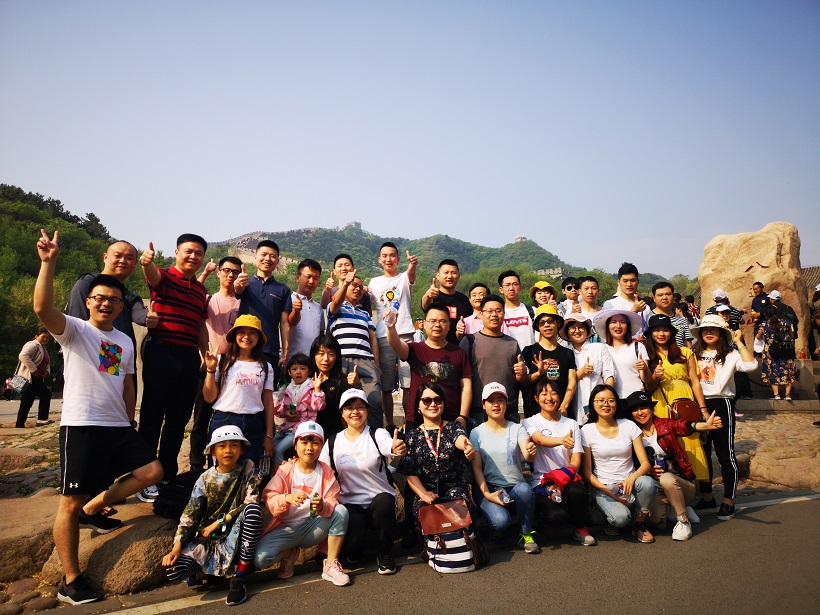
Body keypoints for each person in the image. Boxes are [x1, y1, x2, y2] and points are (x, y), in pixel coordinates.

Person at [32, 229, 163, 605]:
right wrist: (48, 264)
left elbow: (124, 381)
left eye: (114, 301)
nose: (107, 304)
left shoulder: (122, 341)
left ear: (122, 306)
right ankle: (71, 580)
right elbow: (42, 308)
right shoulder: (74, 330)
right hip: (82, 425)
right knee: (70, 501)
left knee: (152, 472)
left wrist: (129, 417)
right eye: (100, 299)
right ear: (88, 301)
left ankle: (94, 507)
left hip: (117, 425)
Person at [138, 234, 209, 502]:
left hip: (189, 357)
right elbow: (152, 275)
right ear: (177, 252)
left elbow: (200, 325)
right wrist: (146, 262)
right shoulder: (165, 277)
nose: (193, 256)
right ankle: (145, 477)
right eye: (189, 251)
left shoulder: (200, 290)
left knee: (178, 421)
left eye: (198, 253)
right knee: (152, 416)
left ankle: (166, 474)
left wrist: (205, 353)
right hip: (162, 352)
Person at [161, 426, 263, 606]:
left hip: (236, 532)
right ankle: (210, 573)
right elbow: (190, 514)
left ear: (241, 449)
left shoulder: (248, 468)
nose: (228, 450)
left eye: (234, 445)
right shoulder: (205, 479)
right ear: (213, 451)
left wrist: (220, 522)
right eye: (222, 446)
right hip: (210, 538)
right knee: (174, 571)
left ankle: (240, 577)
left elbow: (250, 501)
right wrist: (176, 547)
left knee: (253, 511)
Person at [319, 389, 406, 574]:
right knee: (354, 550)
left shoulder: (377, 434)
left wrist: (395, 447)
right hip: (350, 504)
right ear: (342, 413)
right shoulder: (333, 442)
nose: (355, 412)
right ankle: (355, 549)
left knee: (385, 501)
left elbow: (388, 445)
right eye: (349, 408)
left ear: (367, 410)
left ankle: (384, 551)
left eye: (360, 407)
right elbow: (319, 470)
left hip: (379, 502)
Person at [254, 422, 351, 587]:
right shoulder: (285, 470)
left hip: (314, 527)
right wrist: (286, 498)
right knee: (260, 559)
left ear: (321, 446)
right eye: (304, 442)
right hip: (286, 529)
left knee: (341, 511)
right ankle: (289, 554)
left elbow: (333, 498)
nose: (309, 448)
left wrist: (323, 506)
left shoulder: (326, 472)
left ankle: (330, 564)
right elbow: (269, 496)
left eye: (315, 443)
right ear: (295, 445)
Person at [624, 391, 722, 540]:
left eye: (643, 408)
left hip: (681, 483)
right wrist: (649, 471)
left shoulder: (665, 424)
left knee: (667, 478)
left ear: (652, 409)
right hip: (658, 489)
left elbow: (683, 426)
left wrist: (704, 425)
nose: (640, 413)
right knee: (656, 521)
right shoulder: (632, 433)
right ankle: (674, 506)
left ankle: (683, 520)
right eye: (635, 410)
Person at [692, 314, 757, 519]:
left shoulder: (730, 354)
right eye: (705, 329)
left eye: (714, 329)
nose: (709, 333)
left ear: (721, 333)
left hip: (721, 403)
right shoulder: (693, 353)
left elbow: (751, 366)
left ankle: (729, 499)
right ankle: (707, 496)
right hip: (698, 404)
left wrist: (739, 342)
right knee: (702, 453)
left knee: (725, 453)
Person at [642, 314, 711, 498]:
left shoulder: (685, 352)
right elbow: (648, 388)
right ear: (650, 334)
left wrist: (703, 409)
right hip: (661, 403)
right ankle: (668, 494)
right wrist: (655, 376)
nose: (661, 334)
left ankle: (689, 493)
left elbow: (695, 381)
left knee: (689, 439)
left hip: (684, 403)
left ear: (672, 333)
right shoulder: (648, 355)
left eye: (665, 330)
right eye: (657, 330)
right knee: (667, 442)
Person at [580, 384, 657, 543]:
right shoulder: (586, 431)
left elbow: (645, 464)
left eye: (610, 400)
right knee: (620, 519)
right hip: (603, 487)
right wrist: (608, 491)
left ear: (617, 403)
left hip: (630, 484)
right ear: (593, 403)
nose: (606, 404)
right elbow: (587, 472)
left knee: (648, 483)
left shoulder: (628, 425)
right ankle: (613, 517)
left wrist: (631, 478)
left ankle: (639, 523)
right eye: (600, 400)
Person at [523, 378, 595, 546]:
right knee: (556, 516)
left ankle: (580, 528)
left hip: (567, 479)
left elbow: (575, 460)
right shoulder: (530, 421)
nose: (549, 398)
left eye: (554, 393)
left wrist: (561, 480)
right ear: (536, 398)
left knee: (578, 492)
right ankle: (548, 522)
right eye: (544, 394)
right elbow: (539, 439)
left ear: (560, 397)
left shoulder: (571, 423)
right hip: (542, 482)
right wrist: (561, 440)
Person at [470, 383, 539, 553]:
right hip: (490, 488)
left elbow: (527, 455)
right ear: (483, 405)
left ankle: (526, 533)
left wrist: (531, 452)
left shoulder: (517, 428)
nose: (496, 404)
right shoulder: (476, 433)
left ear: (506, 403)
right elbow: (477, 469)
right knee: (500, 522)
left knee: (525, 490)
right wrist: (487, 494)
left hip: (515, 487)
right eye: (491, 400)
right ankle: (496, 528)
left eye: (500, 400)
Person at [202, 314, 275, 472]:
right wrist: (210, 370)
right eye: (242, 332)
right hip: (224, 419)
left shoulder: (266, 366)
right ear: (235, 335)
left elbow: (268, 402)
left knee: (250, 474)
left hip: (254, 422)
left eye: (252, 332)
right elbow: (209, 397)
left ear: (258, 338)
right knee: (220, 473)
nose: (246, 337)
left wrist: (269, 435)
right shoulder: (221, 361)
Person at [386, 301, 473, 430]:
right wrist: (391, 327)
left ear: (449, 325)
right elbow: (396, 345)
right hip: (417, 419)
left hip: (449, 419)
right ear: (425, 324)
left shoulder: (459, 353)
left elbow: (466, 386)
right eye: (432, 321)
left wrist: (463, 416)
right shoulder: (415, 349)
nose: (437, 325)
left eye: (443, 321)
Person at [398, 382, 476, 526]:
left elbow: (460, 438)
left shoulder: (453, 427)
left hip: (454, 488)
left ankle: (462, 538)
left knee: (457, 502)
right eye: (427, 400)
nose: (433, 404)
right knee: (424, 510)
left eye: (437, 400)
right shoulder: (413, 436)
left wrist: (467, 446)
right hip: (427, 490)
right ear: (418, 406)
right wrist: (423, 494)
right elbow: (410, 472)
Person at [190, 256, 242, 471]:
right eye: (226, 270)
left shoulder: (243, 303)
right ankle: (196, 465)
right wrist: (205, 272)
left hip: (234, 365)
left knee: (227, 416)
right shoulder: (208, 299)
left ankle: (224, 465)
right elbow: (193, 291)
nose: (231, 275)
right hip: (209, 363)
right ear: (219, 273)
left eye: (235, 272)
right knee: (201, 418)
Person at [65, 240, 148, 370]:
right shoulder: (87, 284)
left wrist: (155, 315)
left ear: (135, 263)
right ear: (105, 257)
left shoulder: (129, 296)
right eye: (118, 256)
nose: (123, 261)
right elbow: (77, 324)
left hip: (119, 362)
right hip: (88, 362)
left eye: (129, 258)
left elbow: (142, 316)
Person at [327, 268, 383, 427]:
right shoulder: (336, 308)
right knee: (339, 401)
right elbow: (334, 304)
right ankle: (339, 437)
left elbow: (372, 339)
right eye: (354, 285)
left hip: (367, 361)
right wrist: (345, 283)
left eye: (360, 286)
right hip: (342, 360)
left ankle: (375, 436)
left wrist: (376, 364)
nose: (357, 288)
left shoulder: (365, 314)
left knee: (374, 401)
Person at [460, 295, 528, 423]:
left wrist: (522, 373)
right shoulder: (469, 342)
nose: (494, 315)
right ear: (481, 314)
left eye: (498, 311)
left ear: (504, 314)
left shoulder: (512, 343)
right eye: (489, 311)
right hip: (478, 412)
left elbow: (521, 380)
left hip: (508, 412)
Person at [368, 242, 418, 417]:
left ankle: (408, 422)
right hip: (384, 337)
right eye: (385, 256)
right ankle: (389, 424)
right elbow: (364, 301)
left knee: (408, 384)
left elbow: (411, 274)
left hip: (405, 335)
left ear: (398, 259)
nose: (388, 259)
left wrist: (413, 265)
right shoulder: (374, 283)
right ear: (379, 259)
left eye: (392, 256)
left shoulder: (404, 278)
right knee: (386, 386)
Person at [234, 240, 293, 379]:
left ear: (277, 261)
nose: (267, 259)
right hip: (243, 348)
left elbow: (285, 323)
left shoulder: (283, 290)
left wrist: (286, 352)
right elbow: (237, 290)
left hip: (270, 350)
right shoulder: (245, 283)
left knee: (268, 390)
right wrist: (238, 283)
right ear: (255, 257)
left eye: (272, 256)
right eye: (264, 254)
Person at [559, 313, 615, 426]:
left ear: (587, 330)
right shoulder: (564, 352)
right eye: (572, 328)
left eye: (581, 327)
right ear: (567, 332)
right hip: (574, 408)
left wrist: (604, 400)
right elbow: (563, 381)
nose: (577, 331)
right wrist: (582, 372)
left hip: (600, 407)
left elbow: (609, 376)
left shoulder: (599, 348)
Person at [521, 305, 576, 417]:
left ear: (558, 323)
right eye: (542, 323)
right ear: (538, 327)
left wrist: (564, 406)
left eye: (550, 321)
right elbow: (523, 382)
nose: (546, 325)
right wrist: (538, 374)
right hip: (535, 413)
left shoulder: (568, 353)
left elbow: (572, 381)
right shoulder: (529, 351)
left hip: (562, 413)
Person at [272, 354, 326, 464]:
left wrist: (317, 389)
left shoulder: (311, 387)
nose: (298, 372)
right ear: (289, 372)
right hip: (286, 428)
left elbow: (317, 406)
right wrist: (284, 412)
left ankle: (280, 473)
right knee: (271, 447)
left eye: (302, 368)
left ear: (309, 371)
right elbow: (282, 410)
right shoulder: (288, 388)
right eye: (294, 369)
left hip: (300, 429)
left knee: (278, 450)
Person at [309, 334, 361, 436]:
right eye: (321, 354)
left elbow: (359, 406)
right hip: (307, 435)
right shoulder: (305, 380)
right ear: (313, 355)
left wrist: (357, 385)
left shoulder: (342, 382)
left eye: (331, 354)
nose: (326, 359)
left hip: (334, 436)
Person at [594, 310, 650, 399]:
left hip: (636, 398)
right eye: (613, 322)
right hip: (611, 399)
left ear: (628, 326)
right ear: (608, 326)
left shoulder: (638, 346)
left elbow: (646, 379)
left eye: (622, 322)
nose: (618, 326)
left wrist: (644, 368)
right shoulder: (602, 349)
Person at [420, 259, 472, 345]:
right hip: (435, 346)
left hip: (458, 348)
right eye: (446, 272)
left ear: (458, 276)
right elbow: (425, 306)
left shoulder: (465, 301)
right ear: (438, 275)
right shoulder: (433, 296)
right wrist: (428, 295)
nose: (450, 276)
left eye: (453, 273)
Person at [756, 306, 797, 401]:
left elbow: (758, 337)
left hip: (771, 351)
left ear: (766, 315)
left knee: (772, 371)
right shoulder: (786, 323)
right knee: (788, 371)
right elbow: (792, 335)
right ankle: (787, 395)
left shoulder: (764, 325)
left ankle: (776, 394)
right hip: (785, 350)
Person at [15, 328, 53, 428]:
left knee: (27, 401)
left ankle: (19, 424)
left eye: (47, 338)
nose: (45, 339)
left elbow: (46, 363)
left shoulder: (43, 348)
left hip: (37, 377)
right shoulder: (33, 344)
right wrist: (33, 369)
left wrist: (47, 372)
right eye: (43, 337)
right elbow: (23, 355)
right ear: (36, 336)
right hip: (31, 377)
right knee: (46, 394)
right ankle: (42, 419)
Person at [287, 259, 324, 357]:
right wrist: (296, 311)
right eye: (308, 277)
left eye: (315, 278)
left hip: (312, 361)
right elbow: (288, 324)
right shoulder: (288, 300)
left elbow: (320, 336)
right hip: (292, 360)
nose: (311, 281)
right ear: (298, 278)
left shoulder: (318, 308)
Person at [601, 262, 653, 328]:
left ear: (638, 281)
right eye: (625, 281)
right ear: (619, 282)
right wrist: (634, 311)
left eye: (633, 280)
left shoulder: (645, 307)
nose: (629, 284)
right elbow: (610, 329)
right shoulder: (611, 305)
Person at [651, 282, 694, 348]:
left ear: (673, 296)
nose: (664, 297)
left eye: (668, 294)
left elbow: (688, 346)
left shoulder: (682, 320)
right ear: (654, 298)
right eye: (660, 295)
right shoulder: (647, 318)